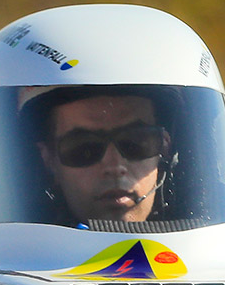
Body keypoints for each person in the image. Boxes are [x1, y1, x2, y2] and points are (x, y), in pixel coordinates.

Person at [22, 87, 176, 226]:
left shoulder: (190, 245)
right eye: (85, 148)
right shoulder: (19, 247)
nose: (115, 167)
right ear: (49, 160)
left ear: (164, 148)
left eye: (134, 143)